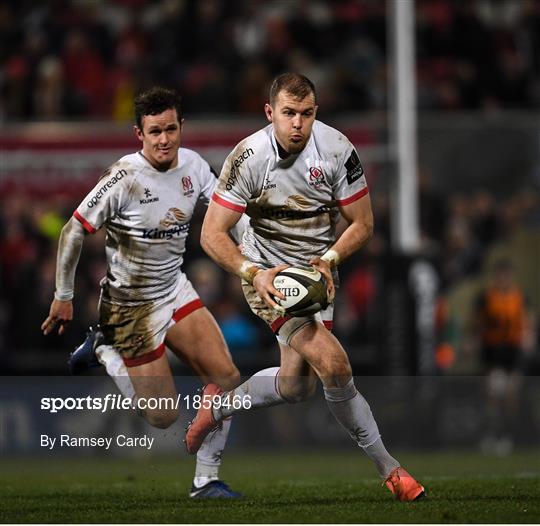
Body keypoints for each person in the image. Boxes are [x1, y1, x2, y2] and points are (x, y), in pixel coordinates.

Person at [185, 73, 425, 501]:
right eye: (289, 113)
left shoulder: (337, 150)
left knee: (298, 386)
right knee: (335, 365)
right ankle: (392, 471)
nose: (298, 123)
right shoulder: (248, 157)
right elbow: (211, 235)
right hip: (269, 276)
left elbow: (363, 224)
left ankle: (218, 406)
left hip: (316, 277)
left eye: (307, 114)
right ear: (270, 113)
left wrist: (329, 259)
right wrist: (252, 273)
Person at [41, 86, 244, 498]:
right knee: (163, 416)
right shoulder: (123, 178)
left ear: (181, 126)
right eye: (155, 132)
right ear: (139, 134)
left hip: (174, 289)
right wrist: (64, 295)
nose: (164, 139)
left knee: (227, 377)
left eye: (171, 129)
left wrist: (255, 262)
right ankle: (103, 348)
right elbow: (73, 229)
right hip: (129, 307)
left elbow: (230, 212)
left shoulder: (193, 165)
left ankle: (206, 480)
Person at [472, 259, 533, 455]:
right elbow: (476, 323)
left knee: (510, 397)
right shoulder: (486, 297)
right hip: (494, 355)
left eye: (506, 275)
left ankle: (508, 436)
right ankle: (493, 434)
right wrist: (473, 340)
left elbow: (528, 320)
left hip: (513, 355)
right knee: (494, 396)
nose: (503, 279)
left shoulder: (520, 297)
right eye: (500, 275)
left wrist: (528, 337)